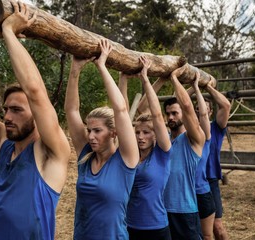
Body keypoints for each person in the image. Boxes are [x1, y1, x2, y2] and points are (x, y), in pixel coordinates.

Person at [0, 2, 71, 239]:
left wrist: (10, 32)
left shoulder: (51, 152)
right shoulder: (4, 143)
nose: (8, 117)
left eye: (17, 110)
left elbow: (35, 91)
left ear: (36, 115)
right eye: (6, 110)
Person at [64, 39, 139, 239]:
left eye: (97, 131)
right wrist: (75, 68)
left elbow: (121, 109)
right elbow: (71, 110)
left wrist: (102, 66)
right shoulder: (85, 157)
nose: (90, 136)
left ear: (113, 132)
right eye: (89, 130)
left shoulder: (126, 159)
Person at [122, 56, 172, 240]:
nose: (141, 137)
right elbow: (122, 115)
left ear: (155, 135)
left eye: (146, 133)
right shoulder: (131, 155)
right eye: (137, 132)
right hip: (128, 225)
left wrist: (145, 78)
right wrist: (123, 79)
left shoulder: (162, 153)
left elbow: (158, 116)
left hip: (156, 227)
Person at [163, 65, 206, 239]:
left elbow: (187, 106)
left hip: (185, 210)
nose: (171, 117)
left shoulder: (194, 139)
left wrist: (174, 78)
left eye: (174, 113)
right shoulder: (165, 139)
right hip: (162, 209)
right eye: (168, 114)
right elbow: (143, 109)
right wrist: (158, 80)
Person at [203, 82, 231, 240]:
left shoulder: (217, 127)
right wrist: (193, 85)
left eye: (204, 107)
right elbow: (179, 102)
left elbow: (226, 105)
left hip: (210, 179)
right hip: (192, 181)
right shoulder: (189, 129)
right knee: (202, 229)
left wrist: (206, 86)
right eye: (197, 107)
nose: (200, 109)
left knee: (218, 226)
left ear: (211, 111)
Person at [191, 72, 216, 240]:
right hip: (184, 194)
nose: (199, 114)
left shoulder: (205, 135)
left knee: (207, 235)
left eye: (201, 111)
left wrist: (197, 87)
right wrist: (191, 88)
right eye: (196, 111)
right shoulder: (184, 133)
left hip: (201, 191)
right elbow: (180, 104)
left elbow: (203, 116)